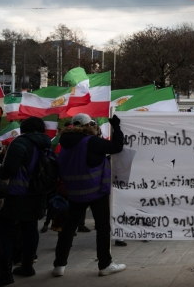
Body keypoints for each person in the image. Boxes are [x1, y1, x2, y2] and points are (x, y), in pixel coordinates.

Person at [52, 113, 125, 277]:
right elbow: (117, 147)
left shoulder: (65, 143)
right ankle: (105, 264)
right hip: (95, 190)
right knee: (102, 228)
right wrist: (117, 127)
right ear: (88, 125)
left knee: (68, 228)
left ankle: (59, 265)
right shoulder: (91, 141)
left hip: (74, 192)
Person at [0, 116, 51, 285]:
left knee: (3, 230)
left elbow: (9, 170)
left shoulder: (20, 143)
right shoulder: (46, 143)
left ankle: (5, 272)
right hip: (37, 192)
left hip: (16, 193)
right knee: (30, 229)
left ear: (24, 128)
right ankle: (27, 266)